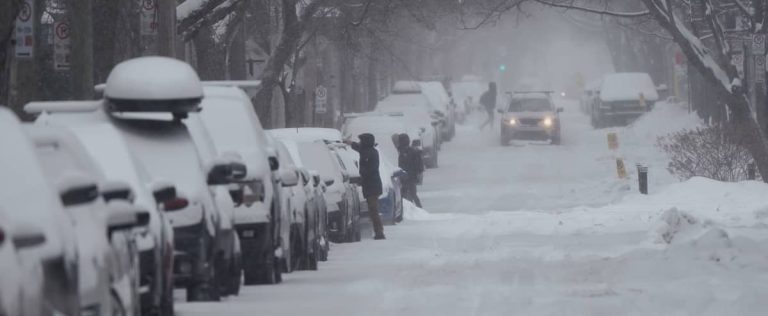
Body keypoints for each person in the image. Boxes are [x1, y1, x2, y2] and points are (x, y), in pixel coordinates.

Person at [349, 133, 386, 240]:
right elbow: (359, 148)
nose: (360, 143)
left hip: (372, 186)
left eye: (361, 141)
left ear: (365, 142)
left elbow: (370, 169)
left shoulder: (370, 153)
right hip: (371, 185)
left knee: (373, 210)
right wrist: (351, 143)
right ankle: (378, 231)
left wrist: (362, 176)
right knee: (372, 210)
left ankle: (379, 232)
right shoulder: (368, 151)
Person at [397, 133, 424, 208]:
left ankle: (419, 210)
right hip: (408, 177)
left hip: (409, 177)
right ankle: (415, 209)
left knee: (412, 194)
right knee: (411, 194)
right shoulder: (405, 152)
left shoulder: (409, 152)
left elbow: (412, 166)